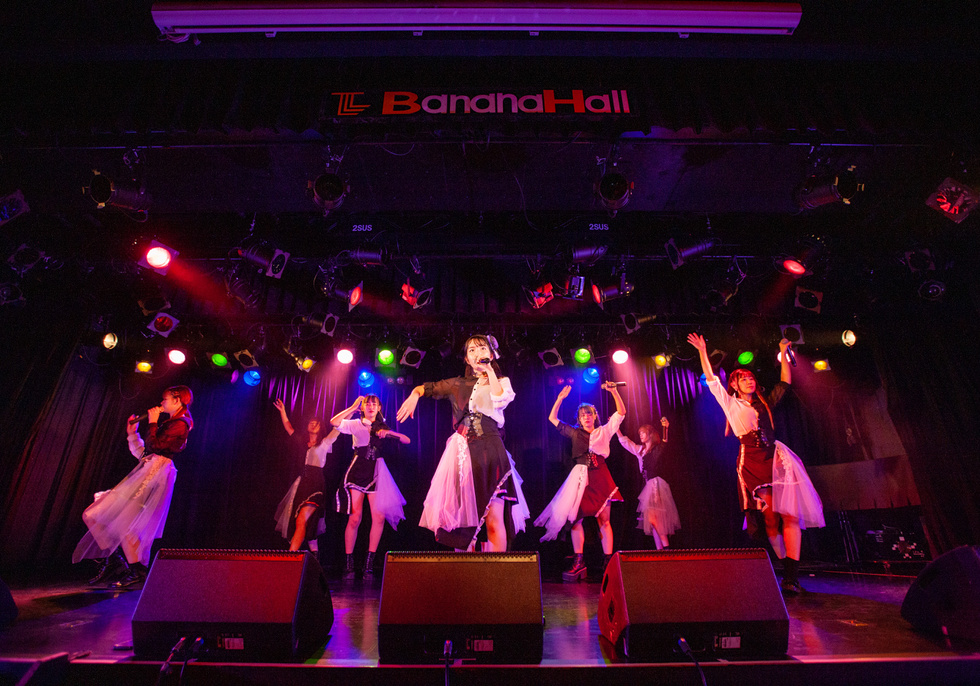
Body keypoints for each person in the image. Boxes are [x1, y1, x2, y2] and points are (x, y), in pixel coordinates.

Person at [687, 333, 825, 594]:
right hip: (751, 461)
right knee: (770, 519)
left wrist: (783, 352)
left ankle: (792, 577)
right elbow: (712, 379)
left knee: (790, 515)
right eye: (743, 378)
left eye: (751, 378)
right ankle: (784, 568)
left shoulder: (766, 403)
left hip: (776, 458)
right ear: (734, 384)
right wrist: (703, 351)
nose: (749, 381)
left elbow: (785, 382)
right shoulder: (730, 403)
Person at [396, 334, 530, 553]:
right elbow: (427, 387)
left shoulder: (502, 381)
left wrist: (489, 372)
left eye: (482, 348)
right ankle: (466, 570)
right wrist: (414, 395)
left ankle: (497, 571)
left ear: (491, 354)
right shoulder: (457, 384)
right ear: (466, 359)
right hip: (461, 451)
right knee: (462, 520)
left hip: (490, 449)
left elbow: (500, 399)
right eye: (472, 350)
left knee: (494, 520)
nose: (477, 353)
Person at [73, 386, 194, 588]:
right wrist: (132, 435)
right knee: (99, 517)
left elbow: (155, 447)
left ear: (177, 400)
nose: (161, 403)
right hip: (148, 473)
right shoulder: (172, 423)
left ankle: (133, 570)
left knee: (124, 526)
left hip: (154, 478)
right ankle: (119, 563)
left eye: (165, 399)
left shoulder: (181, 424)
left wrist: (153, 422)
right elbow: (146, 455)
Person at [534, 382, 626, 581]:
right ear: (579, 418)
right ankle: (579, 562)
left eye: (589, 414)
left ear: (595, 416)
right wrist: (560, 399)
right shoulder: (574, 432)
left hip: (600, 476)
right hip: (580, 476)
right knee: (575, 519)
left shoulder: (604, 431)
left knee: (604, 520)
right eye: (583, 415)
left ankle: (608, 563)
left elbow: (621, 412)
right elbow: (552, 419)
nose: (586, 417)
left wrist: (614, 391)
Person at [330, 394, 409, 579]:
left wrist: (389, 434)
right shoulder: (355, 423)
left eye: (374, 404)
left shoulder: (382, 427)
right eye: (368, 404)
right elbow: (334, 422)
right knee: (355, 517)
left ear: (379, 408)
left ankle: (369, 564)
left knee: (379, 517)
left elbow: (406, 440)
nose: (371, 406)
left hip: (376, 471)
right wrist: (353, 407)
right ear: (363, 407)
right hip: (358, 469)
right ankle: (349, 564)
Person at [272, 399, 340, 552]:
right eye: (311, 423)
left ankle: (290, 558)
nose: (313, 425)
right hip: (302, 485)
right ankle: (315, 561)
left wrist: (352, 411)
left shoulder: (325, 443)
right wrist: (283, 411)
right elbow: (289, 428)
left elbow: (338, 428)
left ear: (321, 427)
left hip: (316, 485)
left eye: (317, 423)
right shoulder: (302, 442)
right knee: (308, 526)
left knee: (301, 520)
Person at [617, 417, 680, 550]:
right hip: (647, 486)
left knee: (653, 519)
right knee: (653, 521)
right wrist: (616, 429)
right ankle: (660, 551)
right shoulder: (640, 450)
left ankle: (667, 548)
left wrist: (665, 427)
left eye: (643, 433)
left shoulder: (656, 449)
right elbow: (627, 443)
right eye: (640, 433)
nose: (640, 435)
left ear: (650, 434)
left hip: (655, 485)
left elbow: (664, 442)